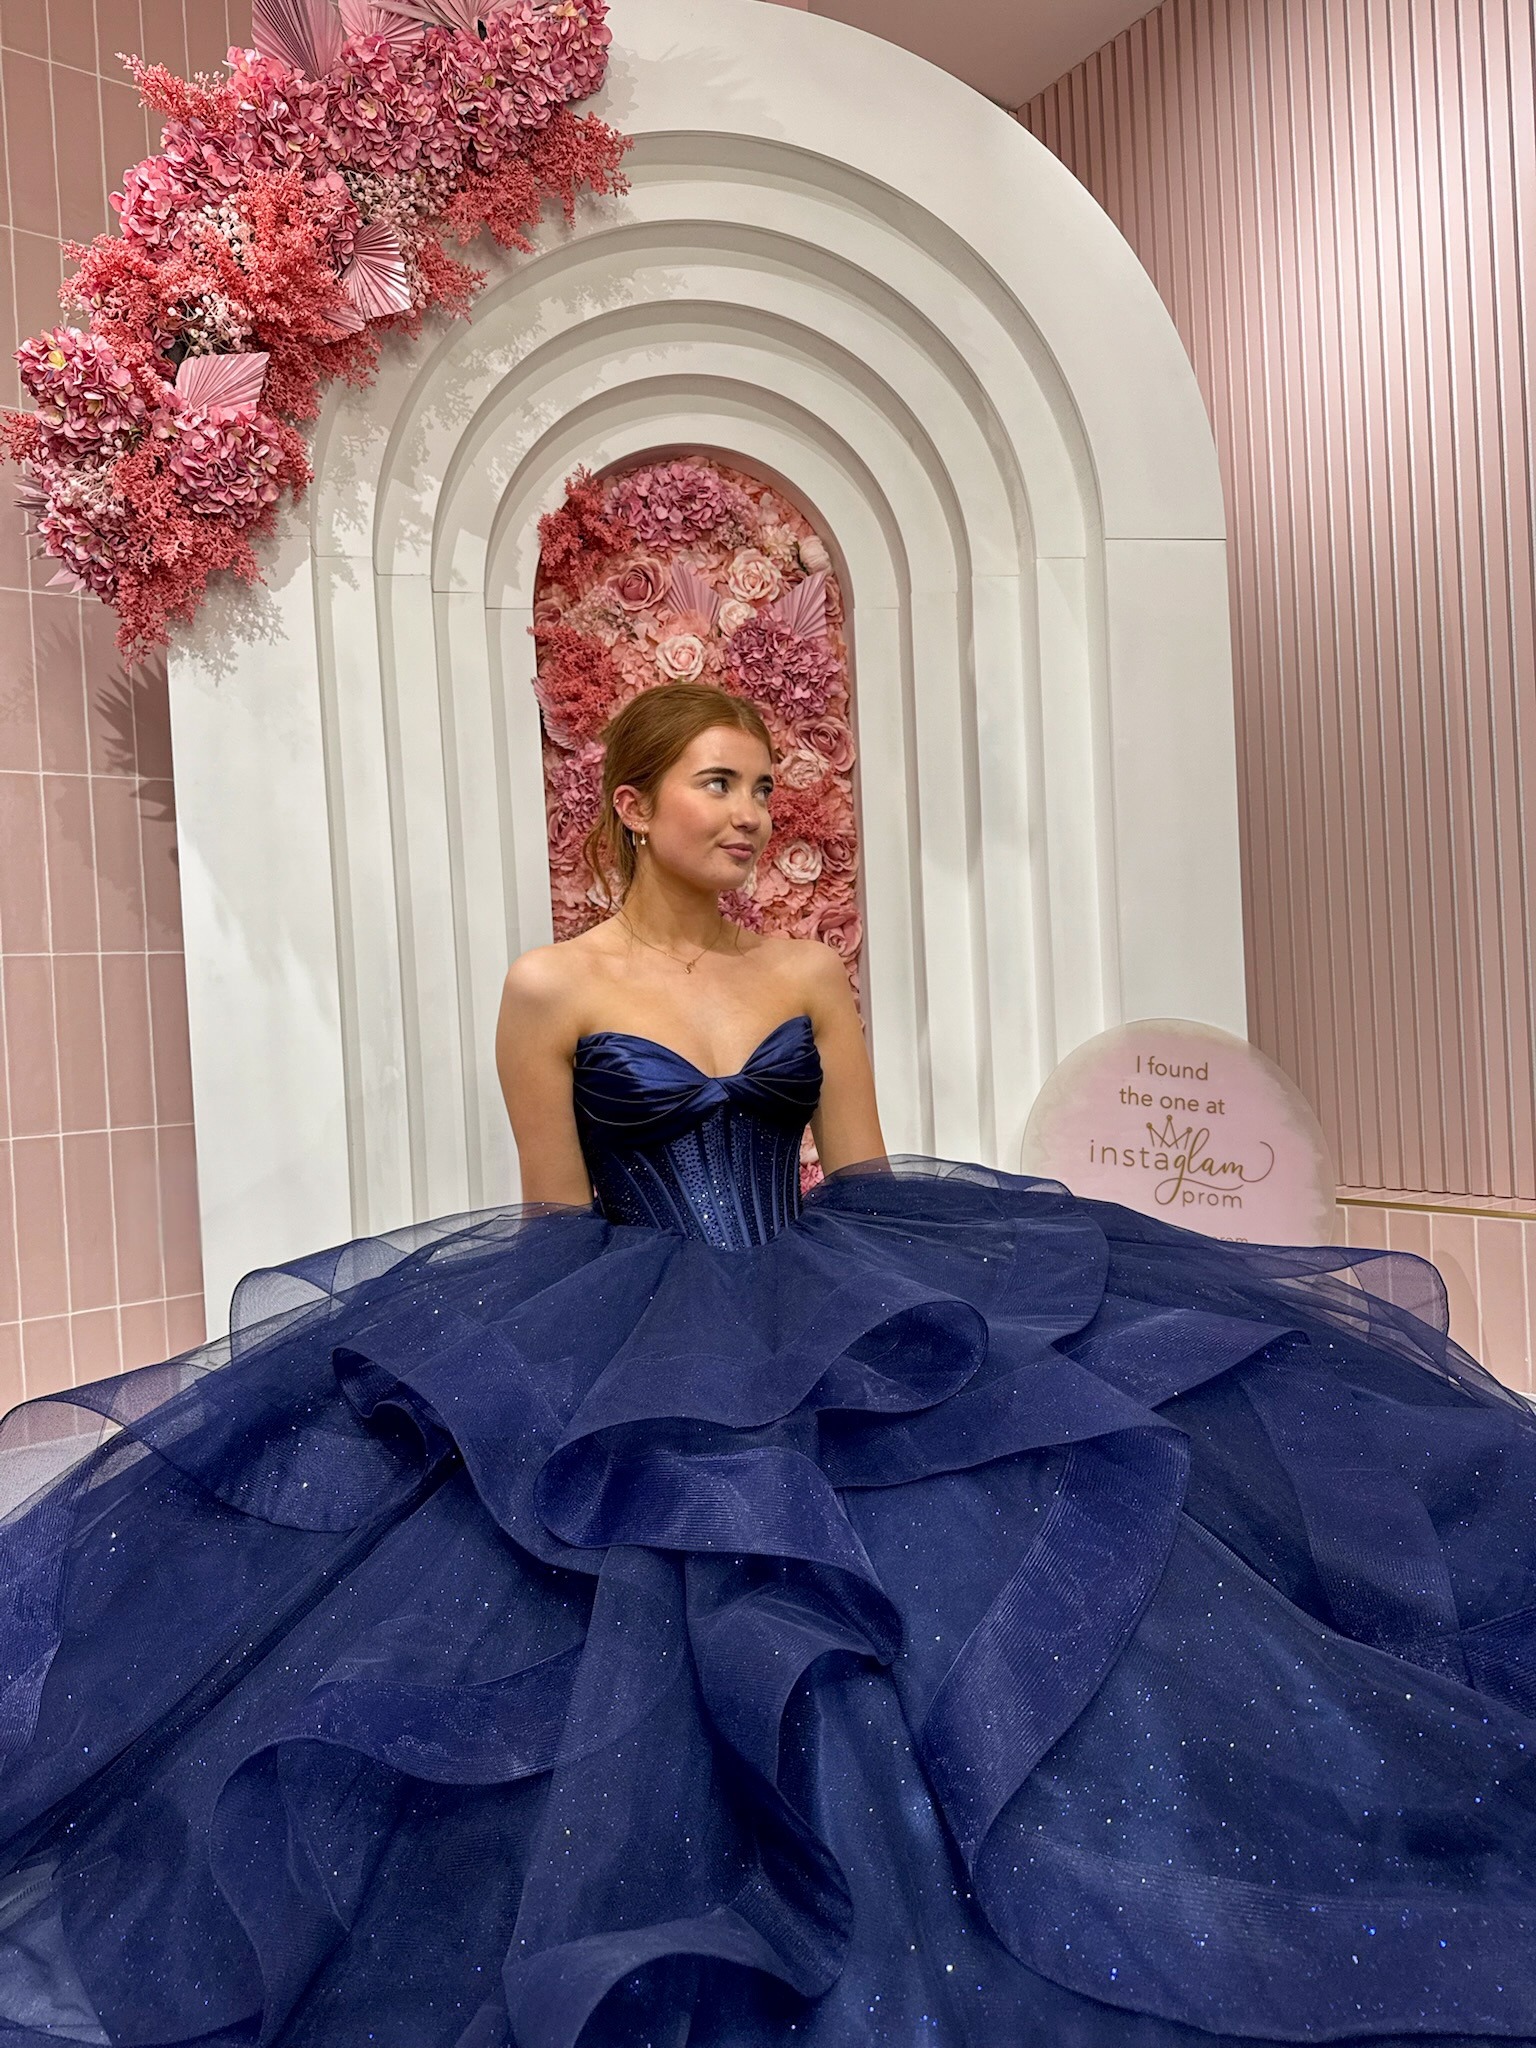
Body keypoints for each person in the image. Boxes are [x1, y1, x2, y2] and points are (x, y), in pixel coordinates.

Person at [0, 679, 1532, 2048]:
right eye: (718, 784)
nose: (750, 813)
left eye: (763, 787)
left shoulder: (804, 972)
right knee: (626, 1611)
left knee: (962, 1578)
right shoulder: (550, 987)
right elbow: (556, 1215)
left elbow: (863, 1178)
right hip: (629, 1311)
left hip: (825, 1294)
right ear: (633, 805)